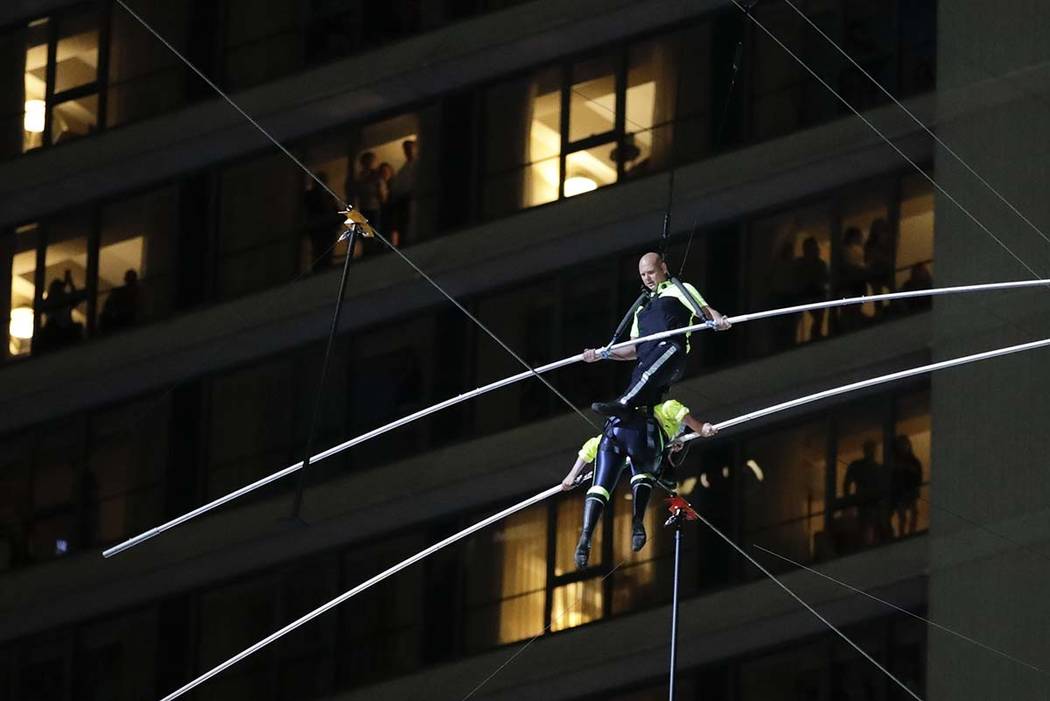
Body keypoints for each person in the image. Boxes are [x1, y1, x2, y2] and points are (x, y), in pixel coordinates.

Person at [561, 398, 718, 568]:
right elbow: (689, 423)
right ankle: (632, 525)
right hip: (642, 434)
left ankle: (589, 538)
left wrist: (571, 475)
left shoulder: (669, 435)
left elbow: (592, 446)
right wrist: (702, 428)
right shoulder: (668, 408)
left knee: (605, 486)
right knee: (642, 475)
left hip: (624, 436)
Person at [583, 252, 729, 419]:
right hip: (648, 361)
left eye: (651, 272)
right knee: (644, 409)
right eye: (643, 275)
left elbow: (707, 312)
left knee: (644, 376)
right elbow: (634, 348)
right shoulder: (641, 308)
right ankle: (666, 438)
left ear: (663, 268)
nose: (647, 278)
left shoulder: (680, 289)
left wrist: (719, 321)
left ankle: (624, 402)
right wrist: (602, 354)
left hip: (672, 352)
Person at [843, 440, 891, 546]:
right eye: (870, 449)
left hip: (874, 503)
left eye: (873, 449)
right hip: (866, 502)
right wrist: (848, 502)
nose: (872, 452)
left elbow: (847, 483)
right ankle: (870, 546)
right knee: (868, 525)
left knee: (874, 526)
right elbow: (847, 483)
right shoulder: (860, 466)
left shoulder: (877, 467)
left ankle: (873, 545)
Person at [303, 172, 341, 272]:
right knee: (319, 250)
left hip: (328, 227)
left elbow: (335, 209)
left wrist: (337, 221)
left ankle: (325, 268)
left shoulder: (328, 194)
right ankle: (319, 269)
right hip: (319, 227)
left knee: (327, 250)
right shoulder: (311, 195)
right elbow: (309, 211)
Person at [795, 236, 829, 340]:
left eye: (815, 248)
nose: (815, 250)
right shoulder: (799, 264)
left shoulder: (820, 264)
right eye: (811, 248)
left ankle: (815, 336)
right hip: (802, 295)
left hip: (817, 294)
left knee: (819, 318)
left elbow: (825, 279)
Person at [890, 435, 923, 536]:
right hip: (900, 492)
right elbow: (892, 477)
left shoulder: (914, 461)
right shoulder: (895, 462)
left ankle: (911, 533)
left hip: (911, 491)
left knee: (914, 513)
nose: (903, 447)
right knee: (903, 516)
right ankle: (902, 535)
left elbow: (919, 475)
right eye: (901, 445)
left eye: (905, 444)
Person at [389, 140, 417, 244]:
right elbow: (397, 188)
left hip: (414, 200)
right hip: (404, 202)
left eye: (410, 148)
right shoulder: (402, 170)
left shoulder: (419, 165)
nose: (408, 151)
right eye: (406, 149)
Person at [99, 269, 140, 334]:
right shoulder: (119, 292)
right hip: (120, 317)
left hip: (124, 318)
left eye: (131, 280)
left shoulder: (136, 293)